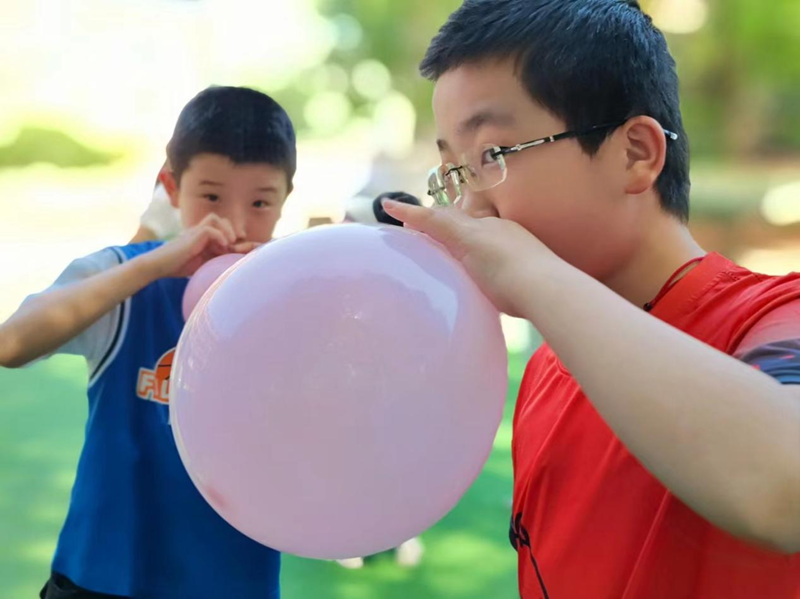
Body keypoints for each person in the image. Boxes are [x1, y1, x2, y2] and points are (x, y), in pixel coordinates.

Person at [382, 1, 800, 597]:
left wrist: (533, 276)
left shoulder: (772, 315)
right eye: (454, 173)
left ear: (635, 153)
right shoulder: (550, 366)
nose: (470, 208)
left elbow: (783, 485)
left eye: (492, 157)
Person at [0, 86, 296, 599]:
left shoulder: (296, 297)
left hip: (234, 583)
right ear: (171, 187)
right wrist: (156, 262)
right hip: (100, 579)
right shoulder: (125, 281)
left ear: (286, 199)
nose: (234, 224)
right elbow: (12, 343)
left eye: (261, 203)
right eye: (210, 196)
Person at [338, 190, 426, 570]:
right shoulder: (347, 278)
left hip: (396, 392)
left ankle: (399, 533)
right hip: (357, 392)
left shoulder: (409, 280)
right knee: (356, 460)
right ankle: (358, 537)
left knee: (396, 460)